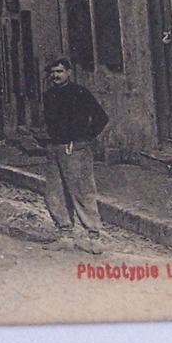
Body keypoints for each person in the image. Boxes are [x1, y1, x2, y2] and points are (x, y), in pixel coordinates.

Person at [40, 58, 109, 254]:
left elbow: (101, 118)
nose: (56, 75)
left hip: (76, 148)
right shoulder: (50, 95)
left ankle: (94, 237)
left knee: (82, 192)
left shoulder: (80, 93)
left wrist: (84, 137)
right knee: (55, 193)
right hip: (55, 148)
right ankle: (65, 236)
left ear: (68, 72)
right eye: (53, 72)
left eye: (60, 71)